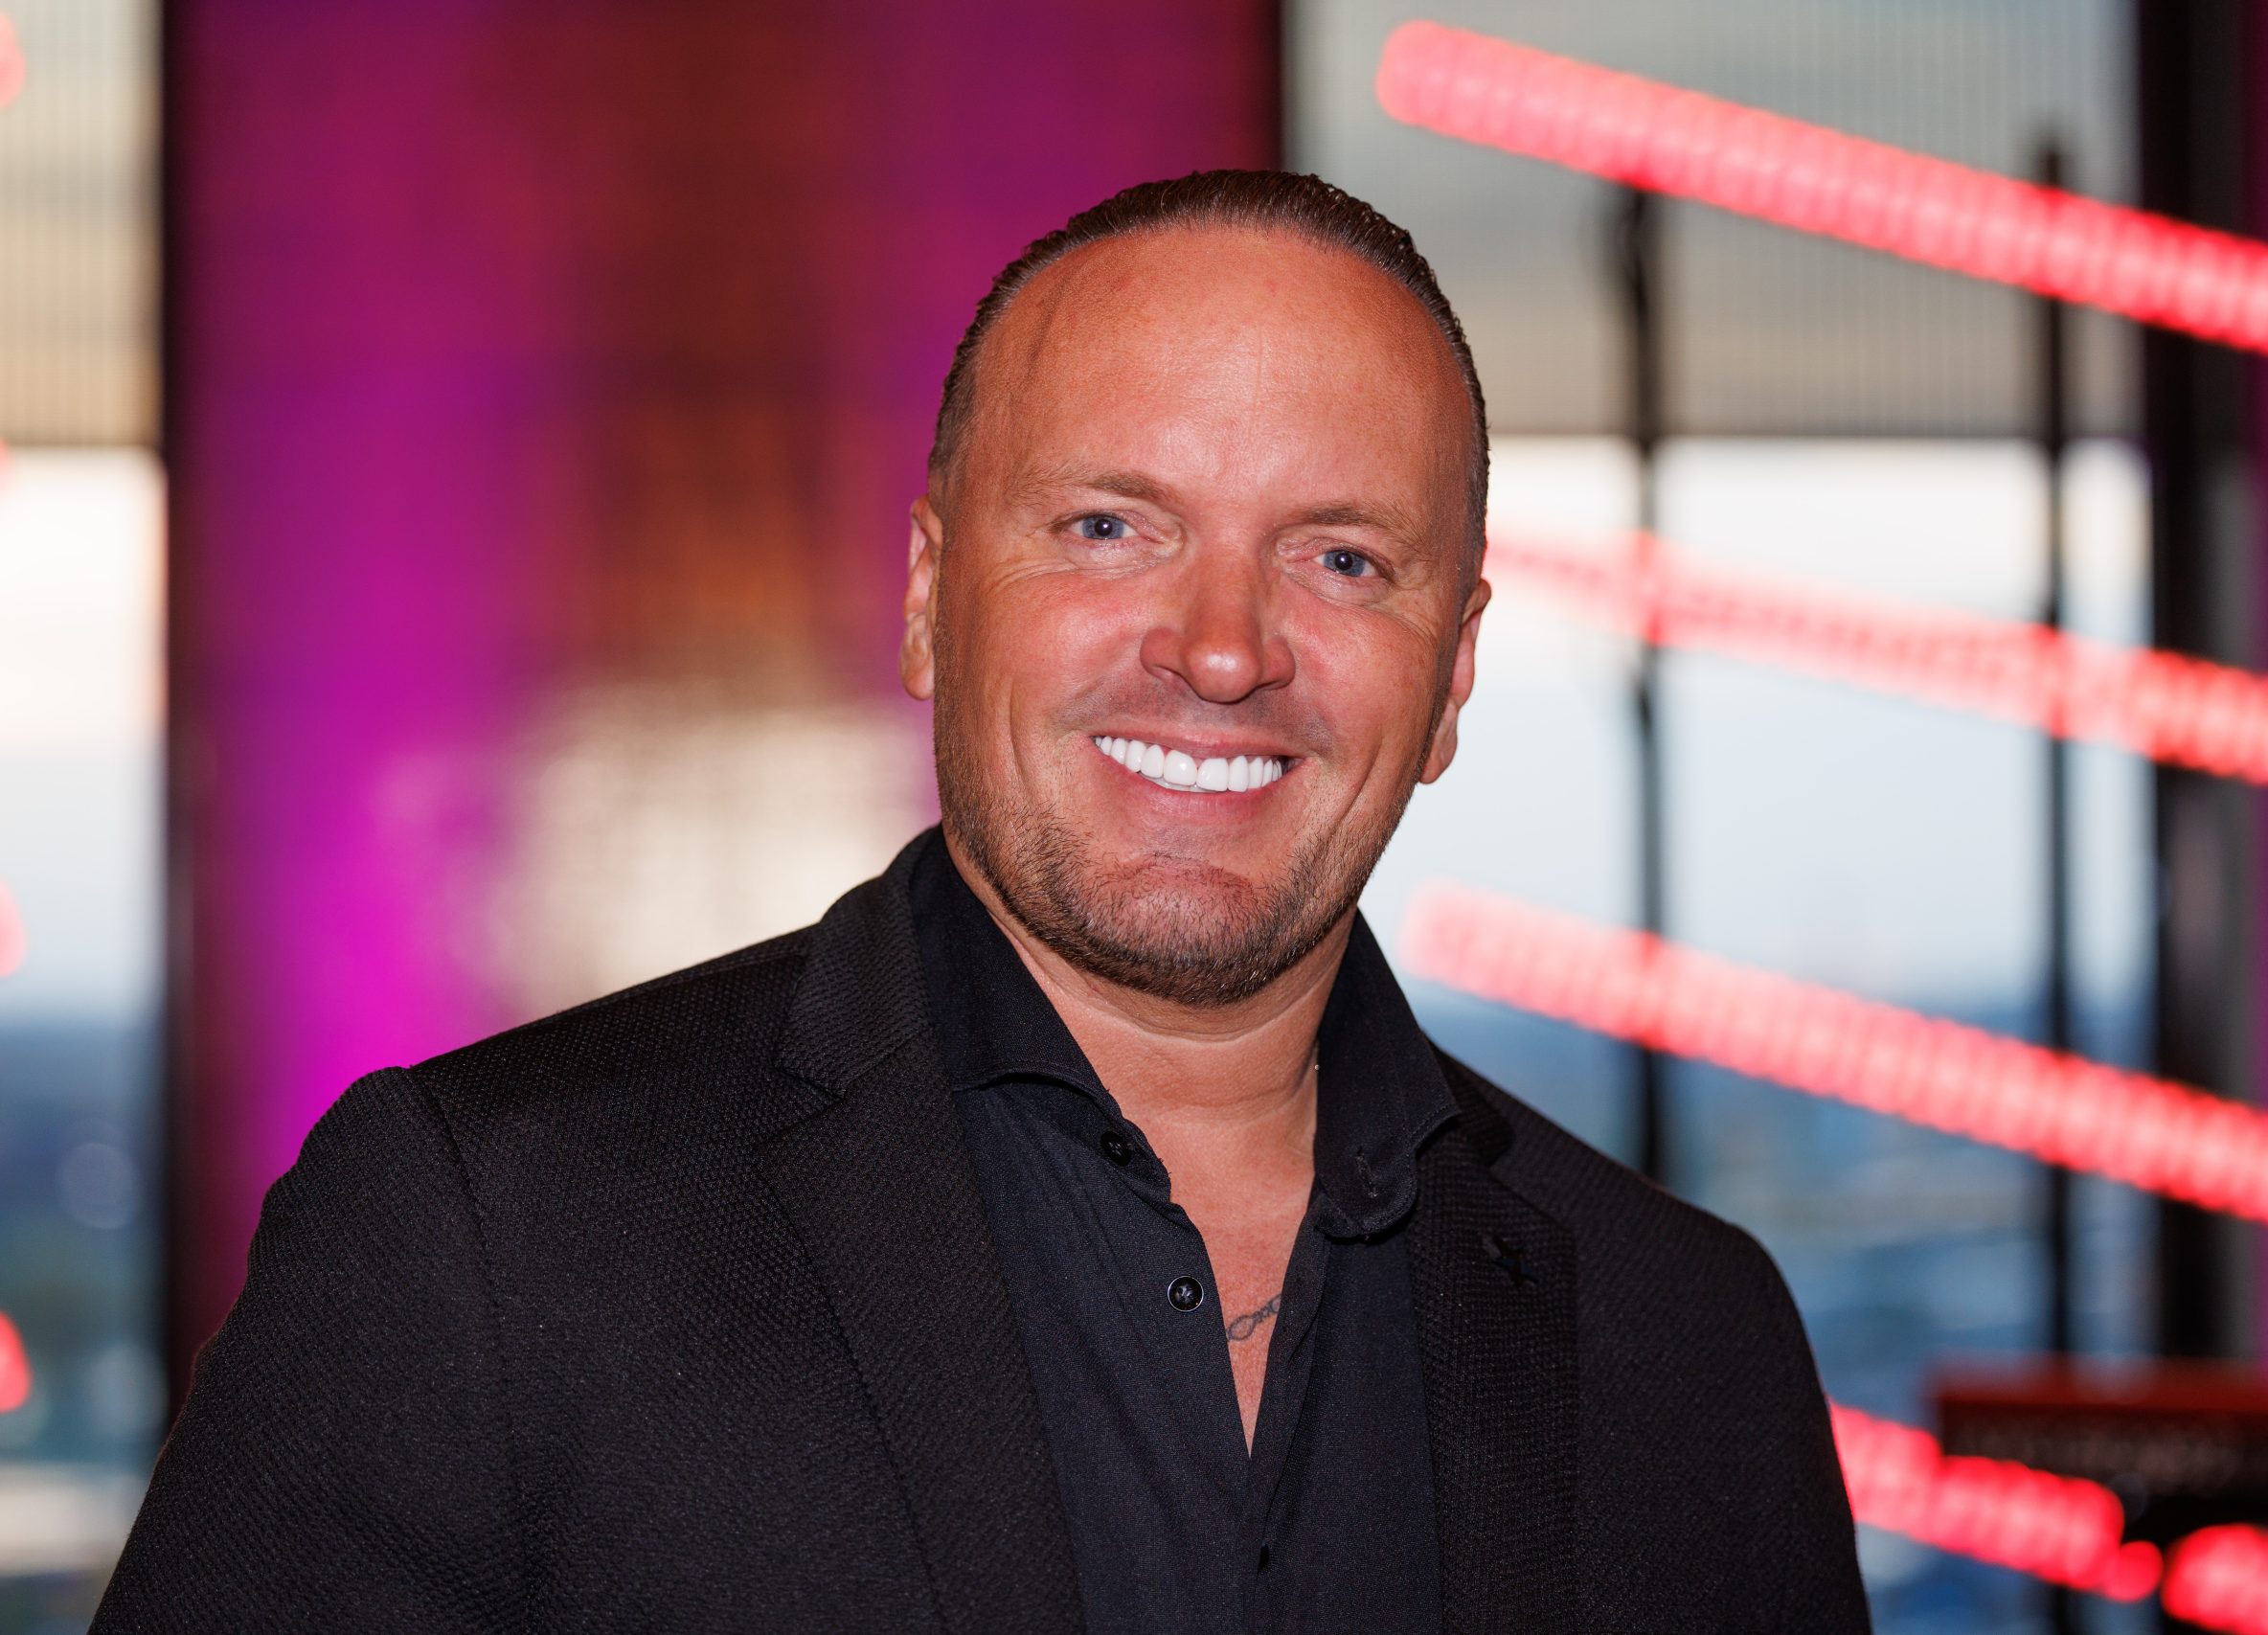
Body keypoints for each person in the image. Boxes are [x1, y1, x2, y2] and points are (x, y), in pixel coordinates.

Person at [95, 170, 1869, 1634]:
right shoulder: (485, 1240)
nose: (1225, 650)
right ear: (930, 596)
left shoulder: (1689, 1343)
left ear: (1454, 673)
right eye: (1111, 527)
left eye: (1342, 558)